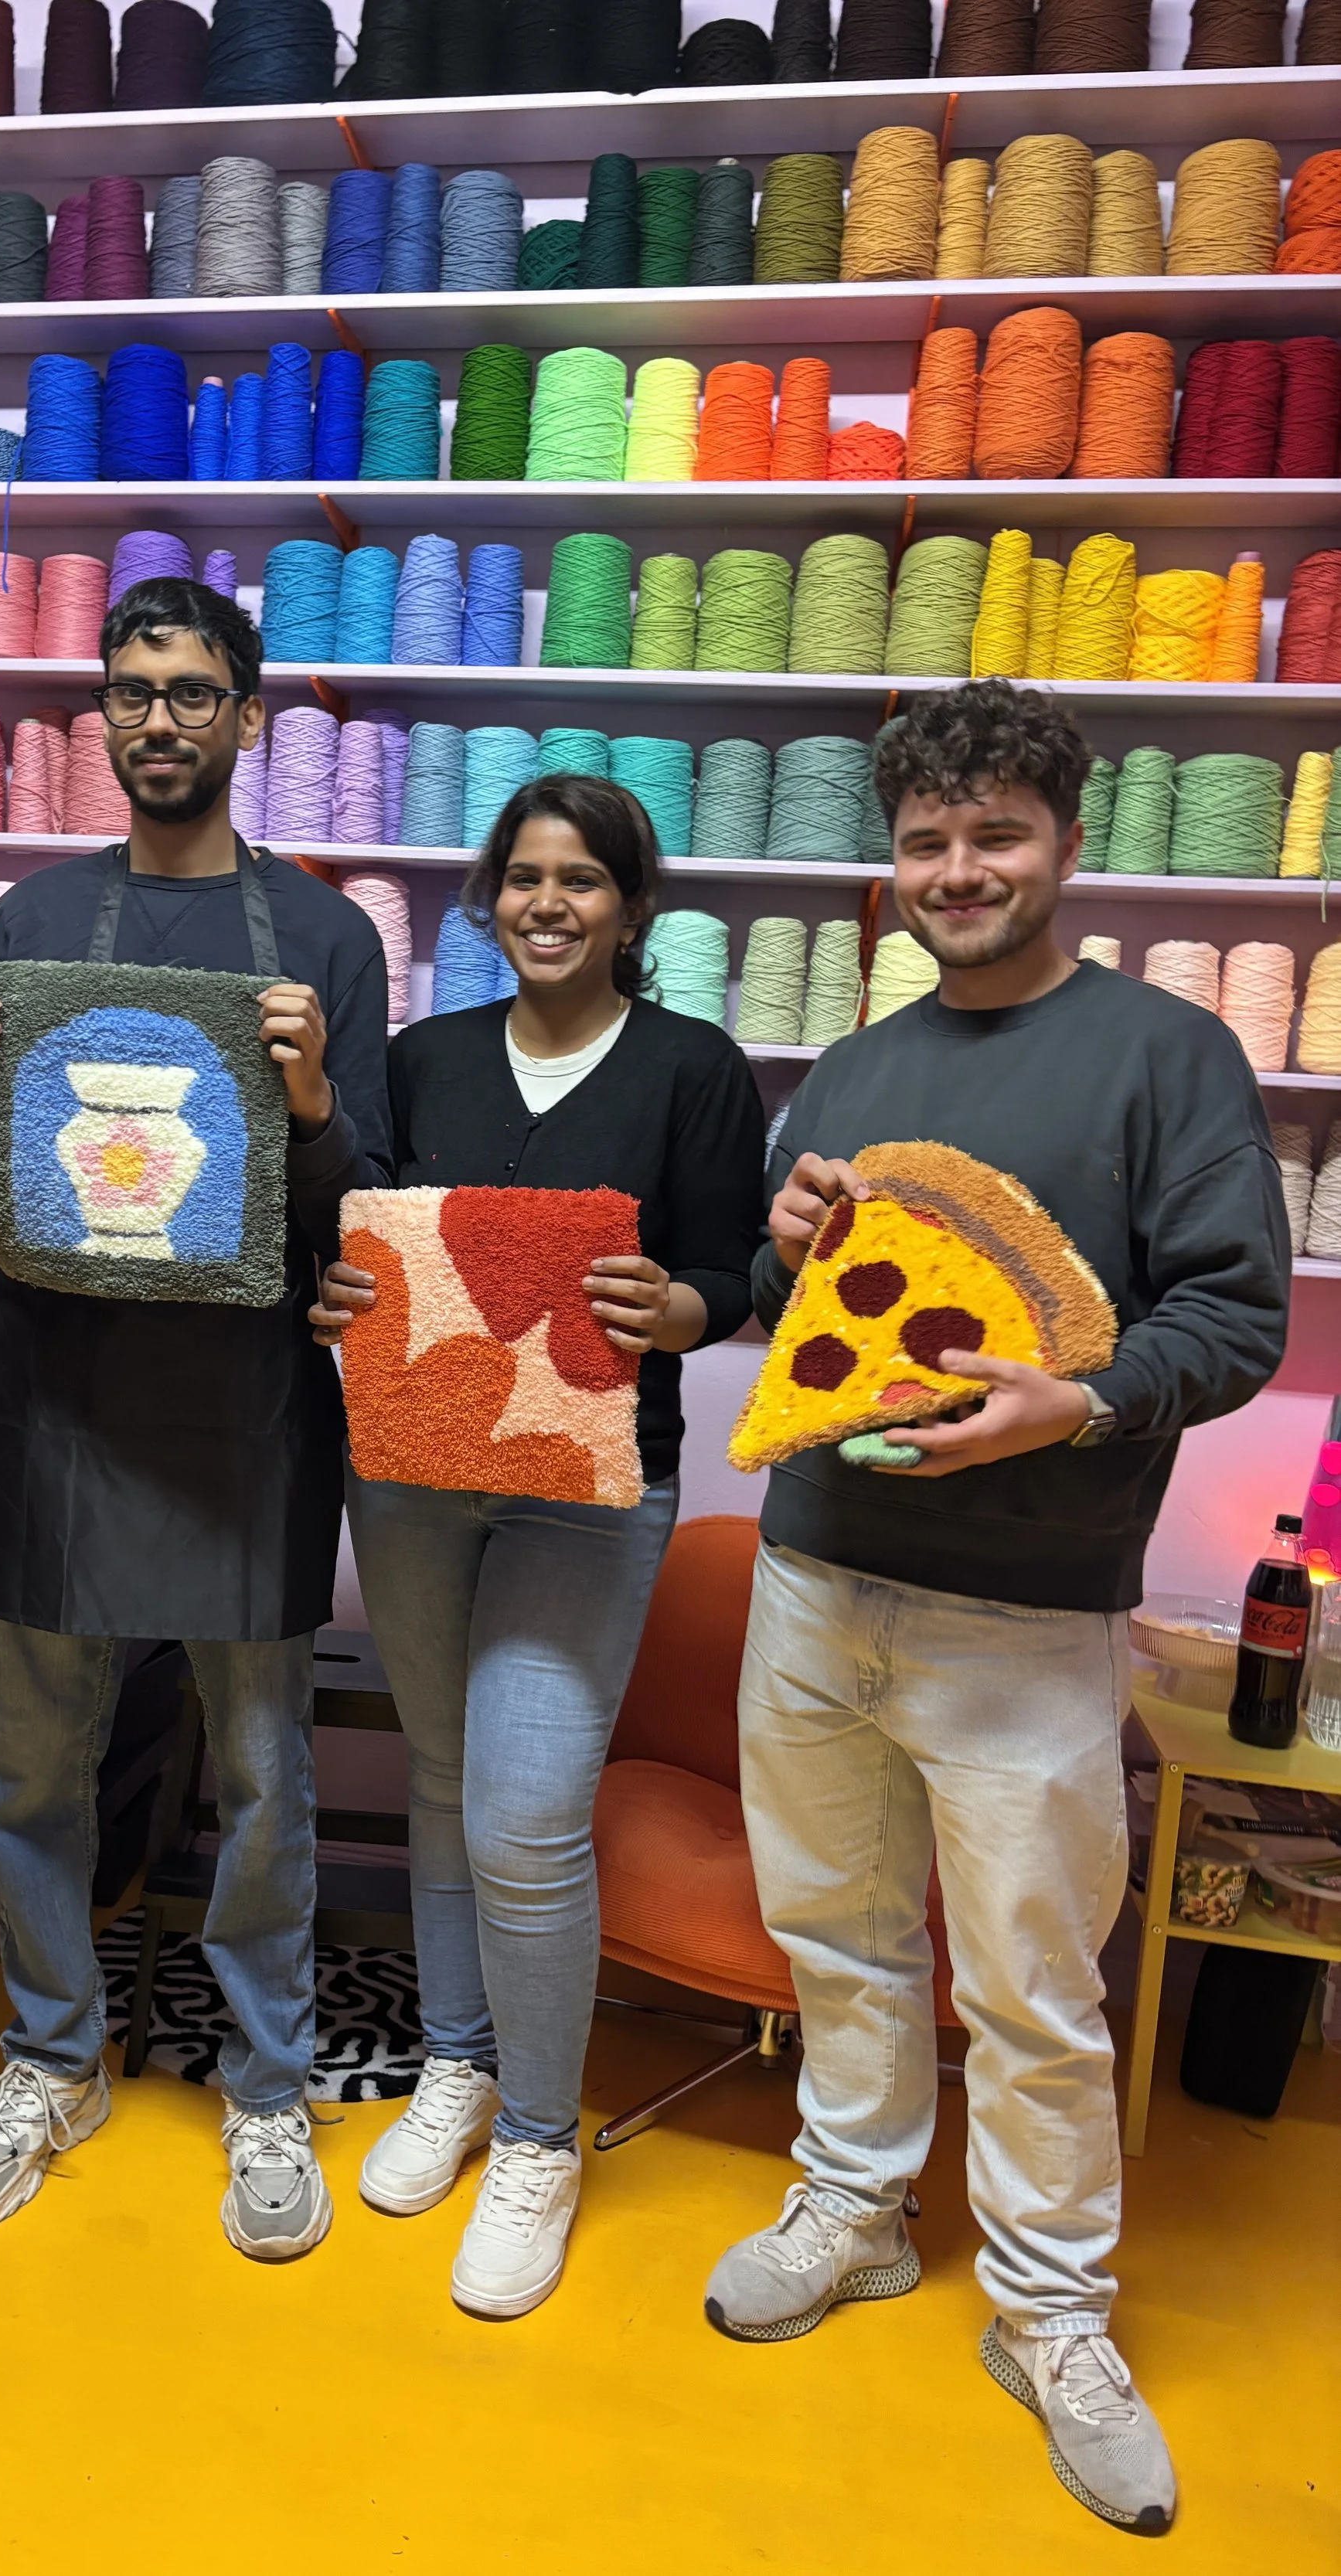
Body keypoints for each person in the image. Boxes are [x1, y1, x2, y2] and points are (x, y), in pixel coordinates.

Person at [706, 680, 1288, 2535]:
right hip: (813, 1572)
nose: (958, 869)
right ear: (896, 863)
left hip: (1028, 1612)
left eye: (994, 834)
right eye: (927, 841)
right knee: (836, 1932)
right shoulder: (861, 1066)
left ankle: (1049, 2311)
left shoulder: (1164, 1055)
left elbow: (1231, 1315)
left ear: (1064, 841)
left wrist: (1080, 1399)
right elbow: (783, 1305)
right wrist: (776, 1247)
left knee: (1032, 1990)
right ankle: (856, 2205)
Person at [0, 578, 391, 2261]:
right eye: (132, 689)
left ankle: (267, 2086)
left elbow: (362, 1213)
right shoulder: (27, 919)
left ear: (245, 717)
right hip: (48, 1408)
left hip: (242, 1420)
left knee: (264, 1786)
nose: (161, 718)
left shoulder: (326, 940)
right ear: (99, 715)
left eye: (194, 689)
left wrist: (320, 1101)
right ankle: (51, 2058)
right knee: (29, 1768)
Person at [311, 776, 766, 2318]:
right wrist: (339, 1300)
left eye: (581, 878)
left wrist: (686, 1309)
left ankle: (533, 2134)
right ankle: (452, 2061)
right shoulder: (420, 1061)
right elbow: (357, 1237)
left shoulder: (692, 1069)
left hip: (592, 1483)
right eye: (521, 877)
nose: (548, 902)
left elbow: (735, 1270)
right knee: (439, 1775)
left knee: (520, 1809)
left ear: (630, 908)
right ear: (486, 899)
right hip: (417, 1472)